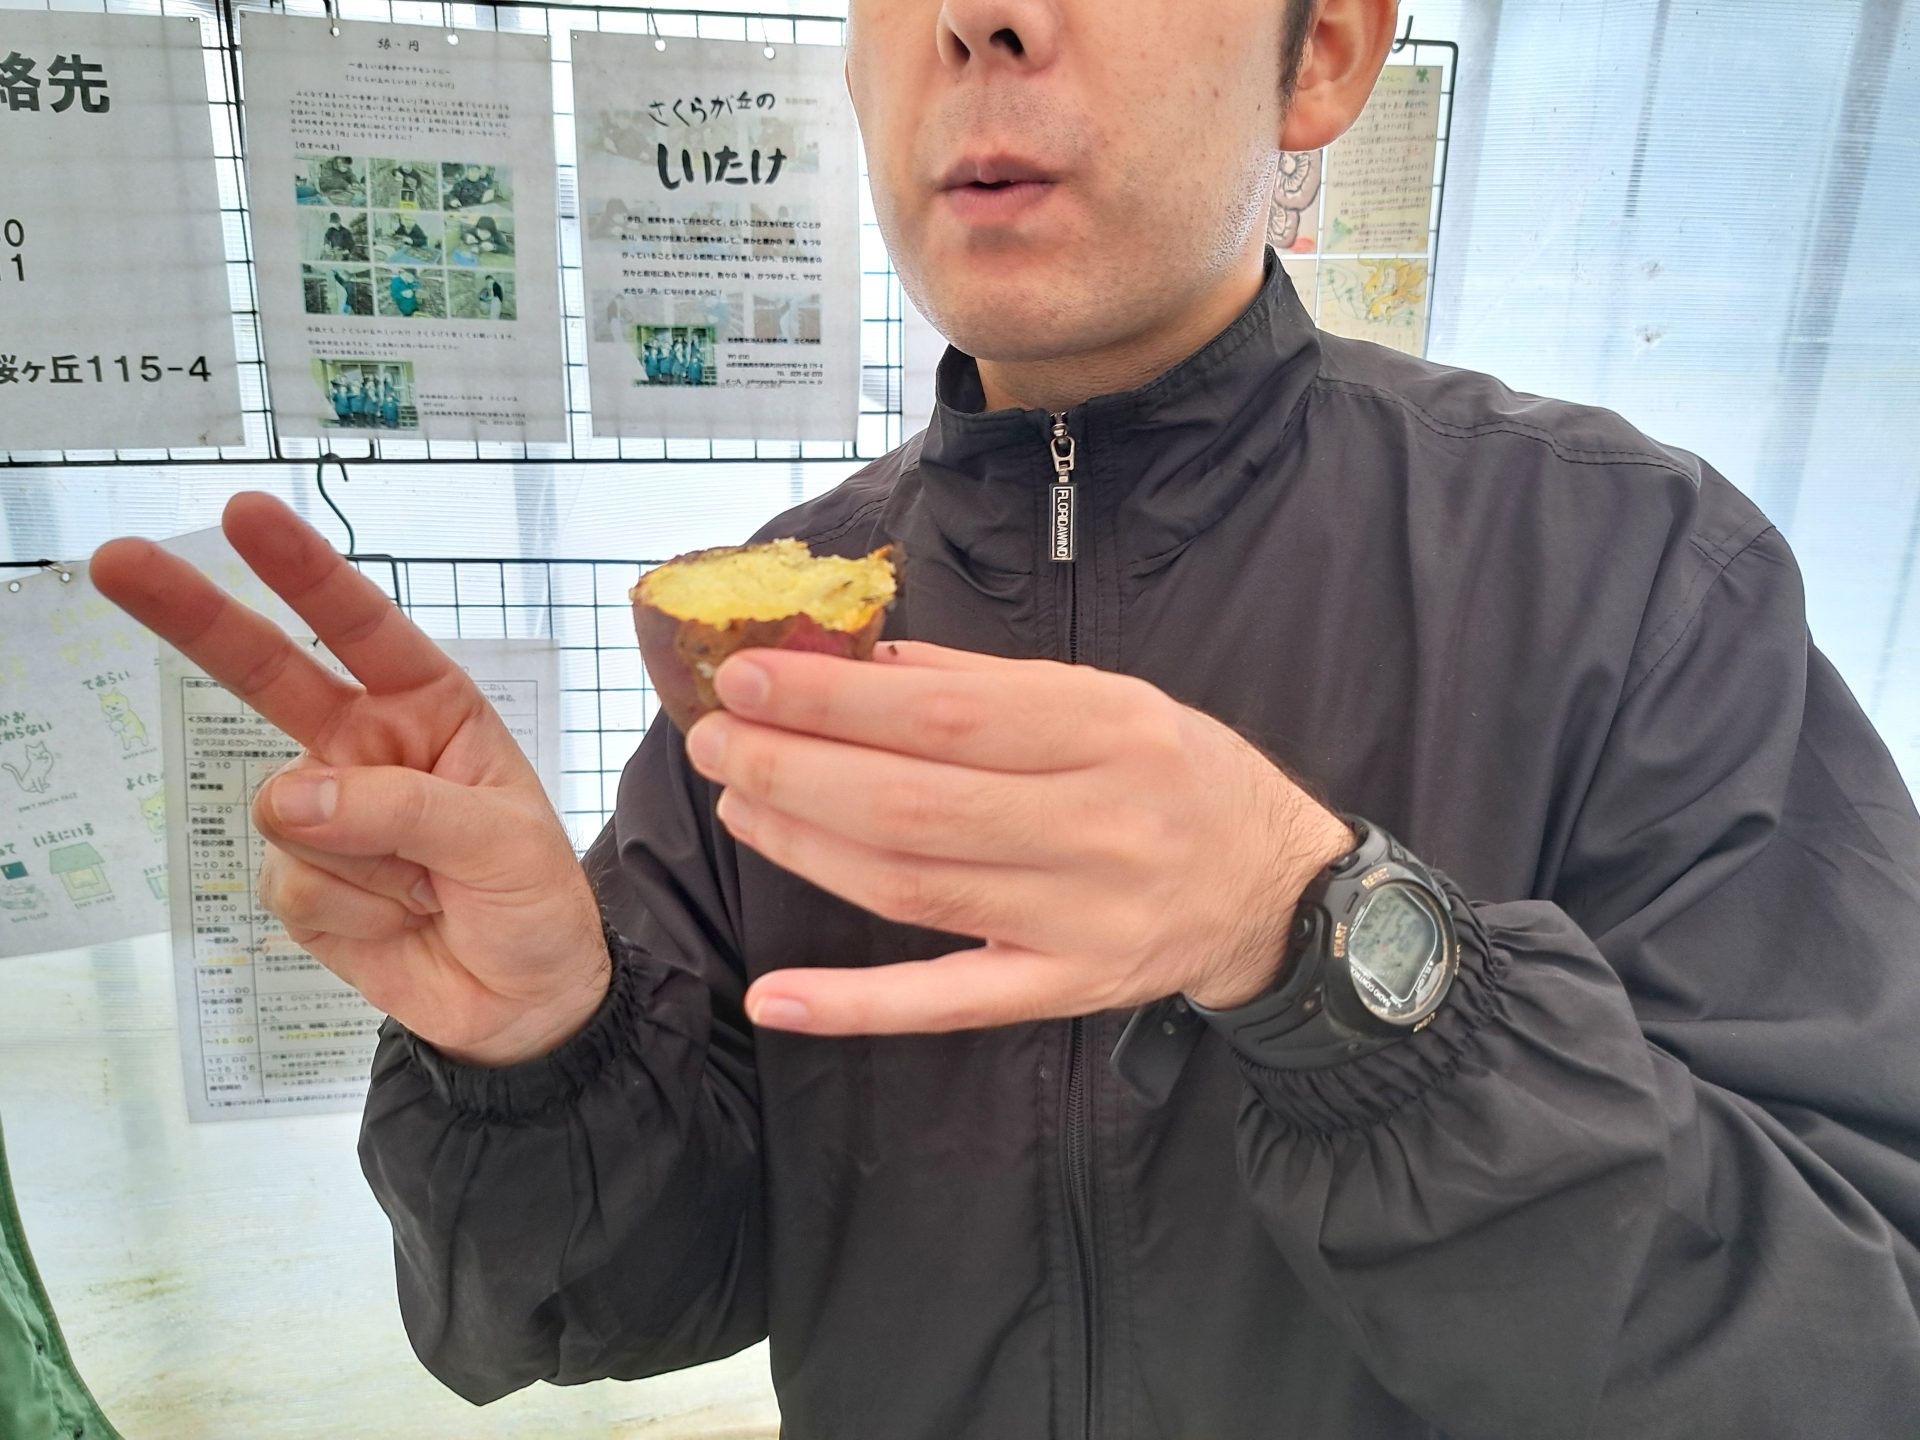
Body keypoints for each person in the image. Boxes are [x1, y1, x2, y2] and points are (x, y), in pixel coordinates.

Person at [90, 2, 1920, 1437]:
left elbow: (1850, 1346)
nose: (984, 19)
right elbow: (613, 1298)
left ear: (1324, 55)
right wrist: (538, 1051)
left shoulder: (1628, 573)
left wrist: (1327, 945)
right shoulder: (786, 620)